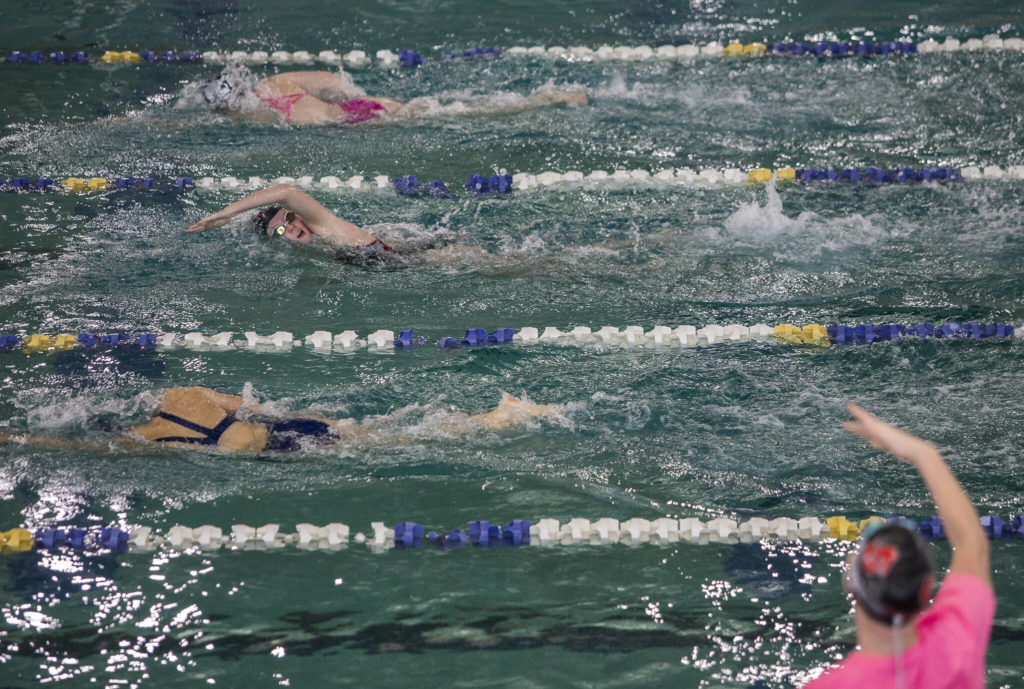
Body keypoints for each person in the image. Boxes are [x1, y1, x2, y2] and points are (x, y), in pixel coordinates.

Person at [803, 404, 994, 689]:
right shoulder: (956, 645)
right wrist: (923, 453)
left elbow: (972, 546)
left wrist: (923, 454)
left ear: (851, 587)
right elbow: (972, 545)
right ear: (926, 586)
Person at [0, 386, 564, 454]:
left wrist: (18, 438)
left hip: (284, 450)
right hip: (292, 427)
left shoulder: (149, 441)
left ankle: (502, 418)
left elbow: (71, 447)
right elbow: (251, 404)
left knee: (405, 440)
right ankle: (494, 416)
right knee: (395, 429)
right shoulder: (182, 395)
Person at [199, 68, 587, 126]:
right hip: (366, 107)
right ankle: (548, 98)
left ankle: (546, 99)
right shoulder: (273, 84)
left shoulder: (255, 116)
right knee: (455, 110)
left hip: (366, 119)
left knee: (463, 113)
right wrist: (358, 97)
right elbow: (334, 79)